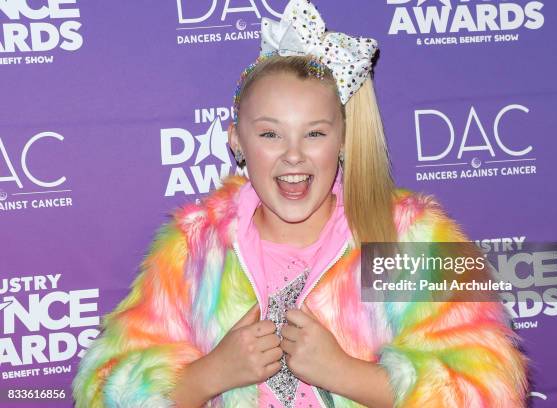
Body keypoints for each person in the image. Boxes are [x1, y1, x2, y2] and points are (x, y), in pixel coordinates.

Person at [72, 0, 529, 407]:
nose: (293, 154)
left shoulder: (410, 236)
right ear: (237, 142)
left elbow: (488, 386)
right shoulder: (194, 247)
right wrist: (208, 376)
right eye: (270, 134)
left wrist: (345, 373)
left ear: (344, 140)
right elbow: (103, 389)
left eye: (315, 133)